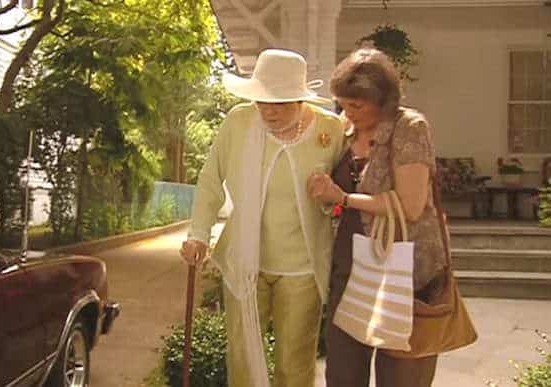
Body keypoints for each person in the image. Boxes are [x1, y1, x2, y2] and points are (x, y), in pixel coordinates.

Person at [179, 49, 344, 387]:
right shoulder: (238, 122)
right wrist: (198, 233)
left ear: (300, 100)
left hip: (302, 267)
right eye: (262, 101)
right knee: (241, 359)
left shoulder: (331, 129)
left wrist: (330, 197)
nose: (269, 110)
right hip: (244, 261)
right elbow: (212, 178)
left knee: (294, 364)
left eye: (280, 103)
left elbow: (342, 197)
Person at [308, 47, 446, 387]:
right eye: (343, 103)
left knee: (402, 375)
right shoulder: (344, 129)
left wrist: (344, 198)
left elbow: (411, 206)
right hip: (352, 266)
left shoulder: (409, 127)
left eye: (357, 105)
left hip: (406, 269)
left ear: (383, 100)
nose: (348, 112)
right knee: (342, 372)